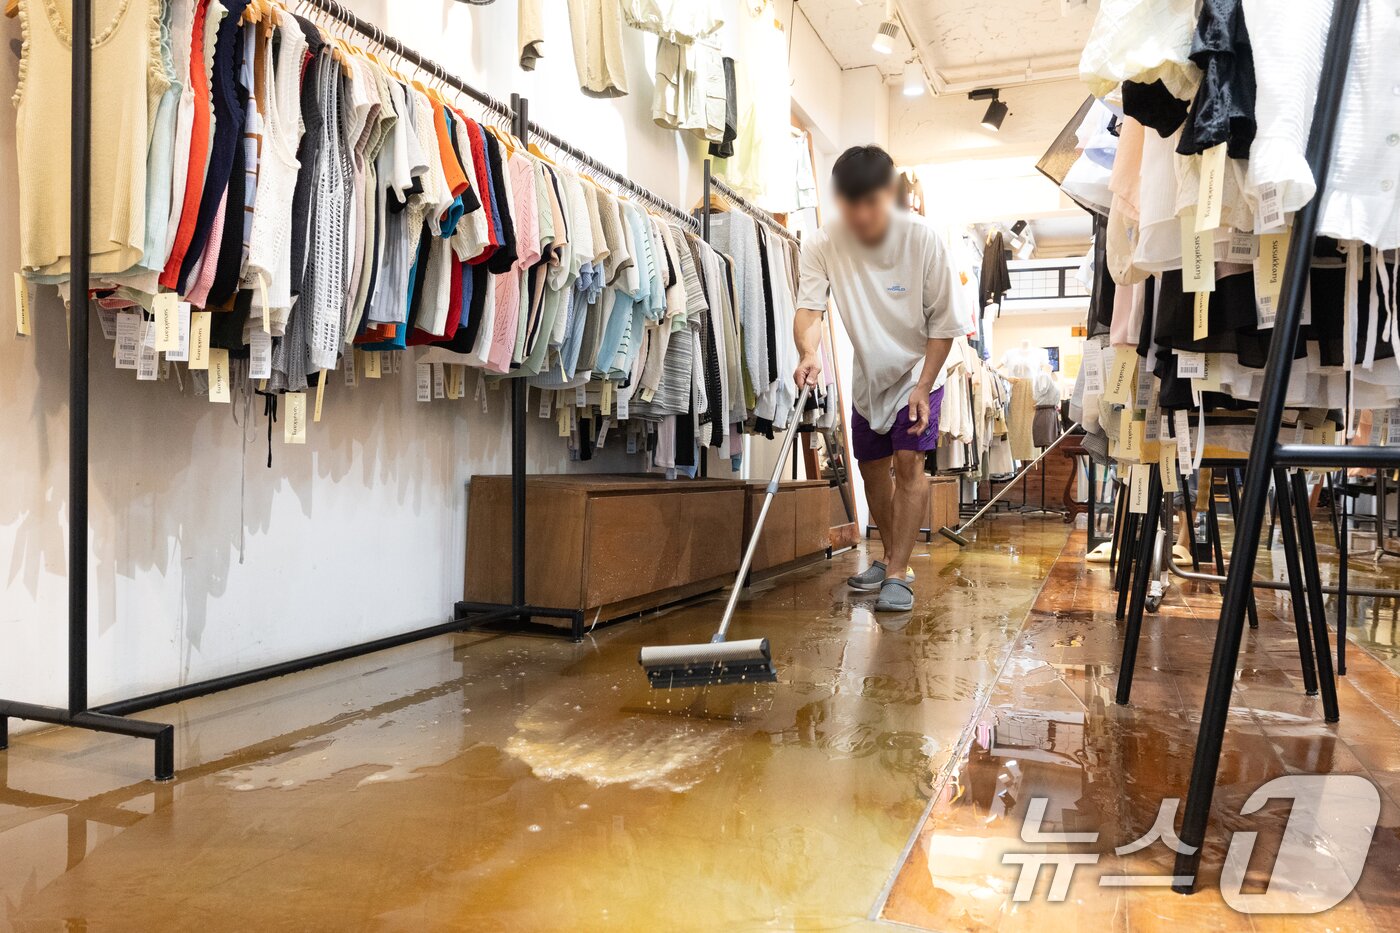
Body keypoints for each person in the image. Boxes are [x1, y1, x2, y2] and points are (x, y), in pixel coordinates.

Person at [794, 145, 964, 612]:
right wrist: (808, 353)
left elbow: (945, 326)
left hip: (921, 368)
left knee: (909, 466)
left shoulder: (923, 239)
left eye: (871, 203)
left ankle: (896, 573)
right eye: (851, 205)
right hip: (869, 375)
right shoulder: (822, 243)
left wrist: (924, 386)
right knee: (871, 472)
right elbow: (809, 309)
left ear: (890, 195)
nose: (862, 215)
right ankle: (893, 557)